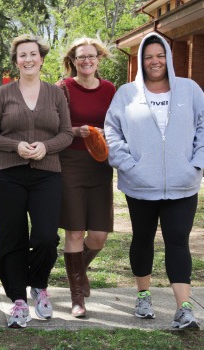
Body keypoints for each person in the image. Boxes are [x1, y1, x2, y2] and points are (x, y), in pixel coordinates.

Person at [105, 32, 204, 329]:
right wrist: (129, 166)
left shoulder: (190, 90)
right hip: (140, 185)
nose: (154, 61)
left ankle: (184, 308)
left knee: (177, 242)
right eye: (148, 57)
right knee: (142, 239)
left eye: (159, 55)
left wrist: (196, 164)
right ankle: (143, 296)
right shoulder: (126, 94)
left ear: (168, 57)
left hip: (182, 185)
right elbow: (111, 132)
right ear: (140, 61)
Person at [0, 34, 73, 328]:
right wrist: (14, 146)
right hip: (7, 173)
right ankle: (18, 301)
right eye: (22, 55)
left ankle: (39, 285)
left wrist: (47, 147)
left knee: (46, 236)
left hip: (47, 172)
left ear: (41, 58)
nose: (28, 59)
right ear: (16, 61)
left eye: (33, 54)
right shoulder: (2, 95)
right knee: (12, 237)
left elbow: (67, 133)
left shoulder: (56, 93)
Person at [57, 37, 116, 318]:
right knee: (75, 232)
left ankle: (79, 270)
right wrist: (73, 131)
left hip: (100, 164)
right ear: (73, 61)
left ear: (98, 58)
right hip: (70, 163)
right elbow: (52, 125)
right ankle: (77, 297)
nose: (86, 61)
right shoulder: (63, 88)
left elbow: (118, 124)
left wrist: (107, 134)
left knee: (99, 235)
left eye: (91, 56)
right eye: (81, 57)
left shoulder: (109, 90)